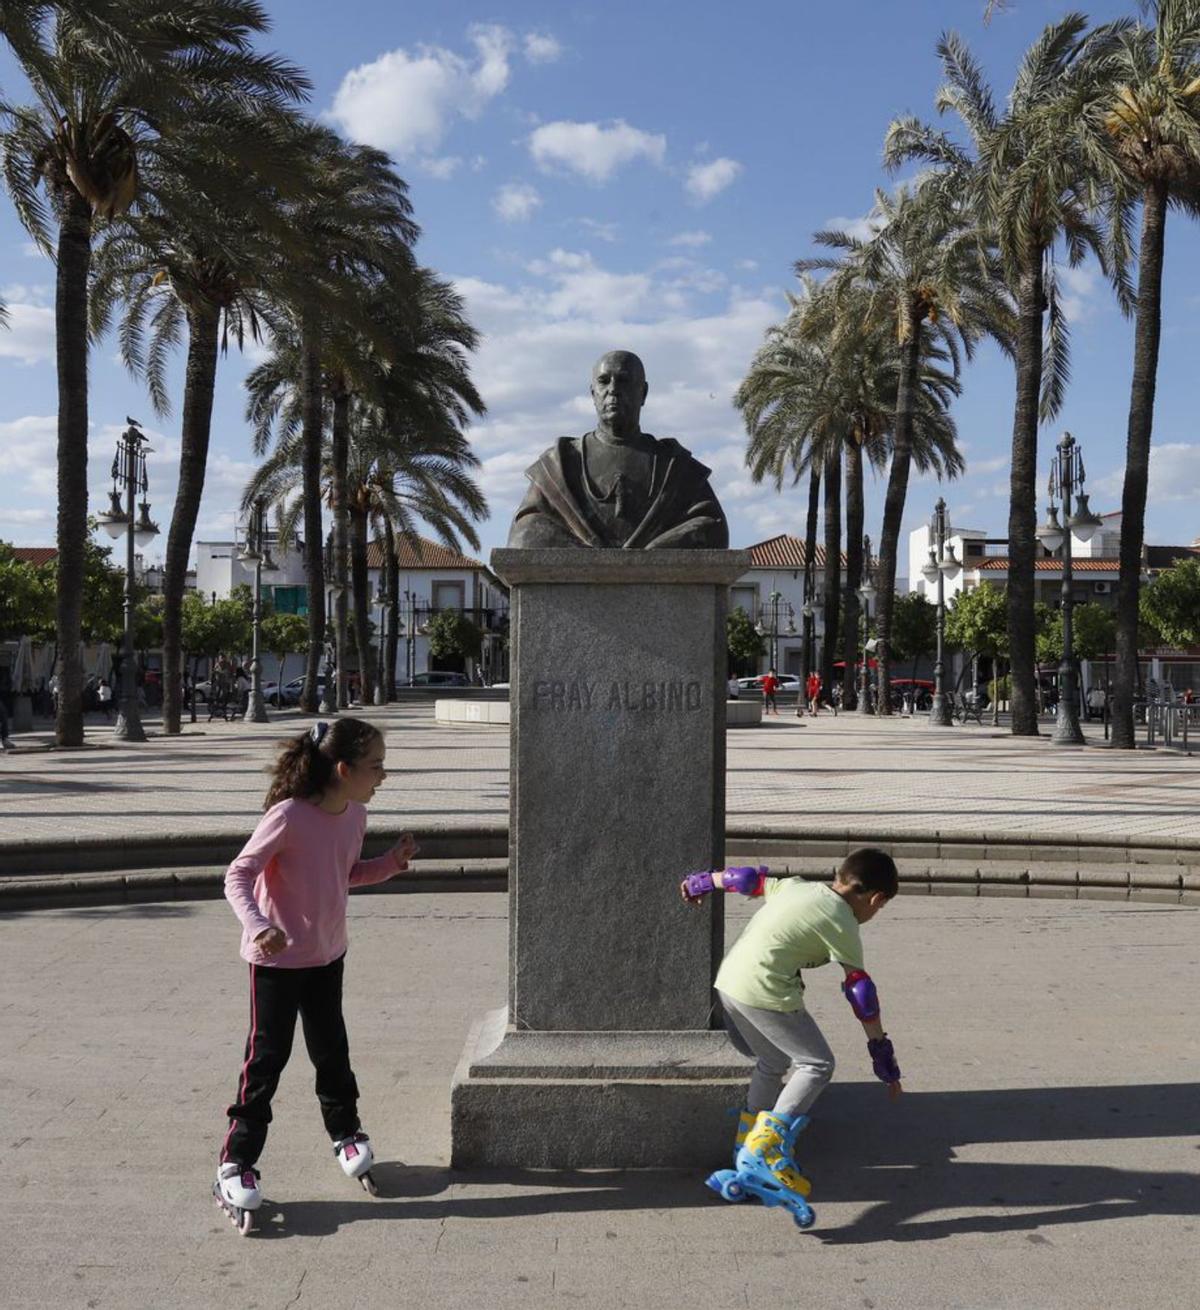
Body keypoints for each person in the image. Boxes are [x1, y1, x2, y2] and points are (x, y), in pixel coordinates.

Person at [212, 717, 419, 1234]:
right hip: (277, 964)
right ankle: (235, 1163)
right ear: (343, 769)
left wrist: (390, 863)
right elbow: (237, 873)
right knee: (266, 1061)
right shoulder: (288, 816)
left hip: (327, 956)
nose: (384, 776)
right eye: (376, 767)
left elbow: (345, 873)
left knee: (332, 1052)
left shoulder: (354, 815)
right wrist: (259, 925)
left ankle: (346, 1134)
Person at [681, 850, 902, 1225]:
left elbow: (745, 879)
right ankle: (764, 1150)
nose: (872, 916)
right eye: (878, 909)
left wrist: (700, 882)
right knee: (817, 1064)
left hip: (729, 984)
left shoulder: (796, 887)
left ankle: (745, 1145)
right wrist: (883, 1056)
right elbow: (861, 994)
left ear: (840, 875)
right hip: (764, 992)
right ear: (875, 898)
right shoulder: (842, 921)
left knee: (773, 1061)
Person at [507, 350, 729, 549]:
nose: (613, 390)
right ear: (593, 393)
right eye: (604, 381)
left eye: (624, 381)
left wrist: (657, 551)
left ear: (643, 393)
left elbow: (714, 527)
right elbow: (522, 532)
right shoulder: (561, 463)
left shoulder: (674, 466)